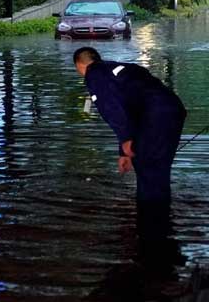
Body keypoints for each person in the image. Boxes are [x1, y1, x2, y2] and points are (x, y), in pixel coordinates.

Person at [73, 47, 186, 264]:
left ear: (80, 65)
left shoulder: (94, 73)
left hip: (154, 117)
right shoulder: (121, 69)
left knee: (147, 172)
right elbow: (130, 107)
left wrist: (125, 139)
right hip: (172, 111)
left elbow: (111, 107)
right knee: (158, 172)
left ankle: (151, 237)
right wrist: (123, 150)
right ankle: (163, 228)